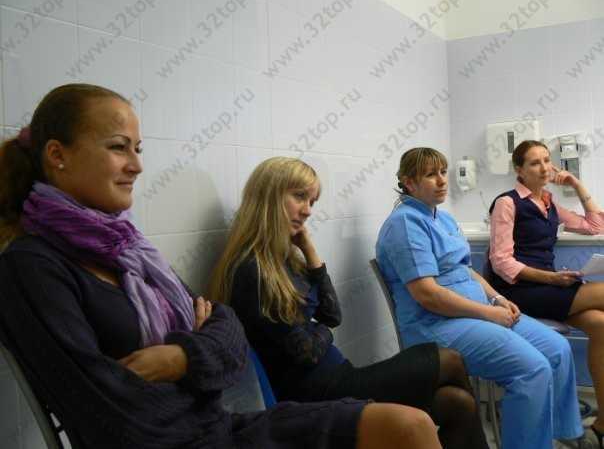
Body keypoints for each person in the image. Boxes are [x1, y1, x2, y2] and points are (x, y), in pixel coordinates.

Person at [0, 84, 443, 449]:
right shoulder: (31, 267)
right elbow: (105, 406)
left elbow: (231, 332)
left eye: (138, 148)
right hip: (179, 440)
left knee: (411, 426)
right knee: (438, 392)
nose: (137, 165)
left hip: (220, 427)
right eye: (119, 148)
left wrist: (181, 358)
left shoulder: (132, 253)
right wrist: (201, 359)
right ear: (58, 155)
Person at [209, 156, 489, 449]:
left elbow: (332, 315)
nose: (307, 210)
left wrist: (309, 250)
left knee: (457, 403)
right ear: (269, 197)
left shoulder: (284, 260)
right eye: (299, 197)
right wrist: (323, 331)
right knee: (449, 359)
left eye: (311, 202)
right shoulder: (252, 271)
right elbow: (306, 352)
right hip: (318, 393)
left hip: (339, 375)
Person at [375, 147, 585, 449]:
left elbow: (466, 271)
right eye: (431, 175)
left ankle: (556, 436)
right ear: (409, 183)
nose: (442, 181)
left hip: (477, 313)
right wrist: (489, 314)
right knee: (533, 369)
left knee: (558, 349)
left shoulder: (443, 219)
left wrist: (497, 298)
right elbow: (428, 295)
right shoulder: (405, 224)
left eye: (443, 172)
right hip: (435, 325)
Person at [487, 139, 604, 446]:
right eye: (534, 162)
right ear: (519, 170)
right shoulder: (507, 203)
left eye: (546, 160)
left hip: (549, 287)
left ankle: (602, 426)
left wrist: (576, 184)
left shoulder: (550, 203)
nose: (544, 168)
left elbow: (596, 225)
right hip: (518, 291)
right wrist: (551, 278)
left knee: (601, 325)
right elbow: (501, 263)